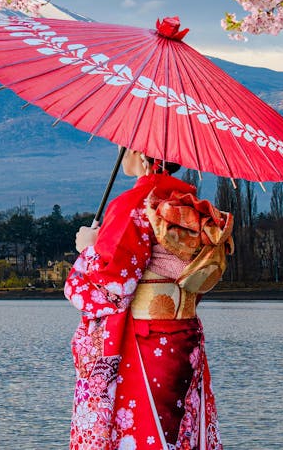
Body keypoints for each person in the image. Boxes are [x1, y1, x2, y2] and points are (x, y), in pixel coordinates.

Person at [65, 148, 234, 450]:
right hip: (185, 339)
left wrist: (89, 249)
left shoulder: (133, 206)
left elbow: (111, 289)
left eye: (122, 148)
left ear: (143, 156)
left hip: (145, 343)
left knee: (145, 433)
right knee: (177, 430)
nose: (119, 154)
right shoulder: (192, 208)